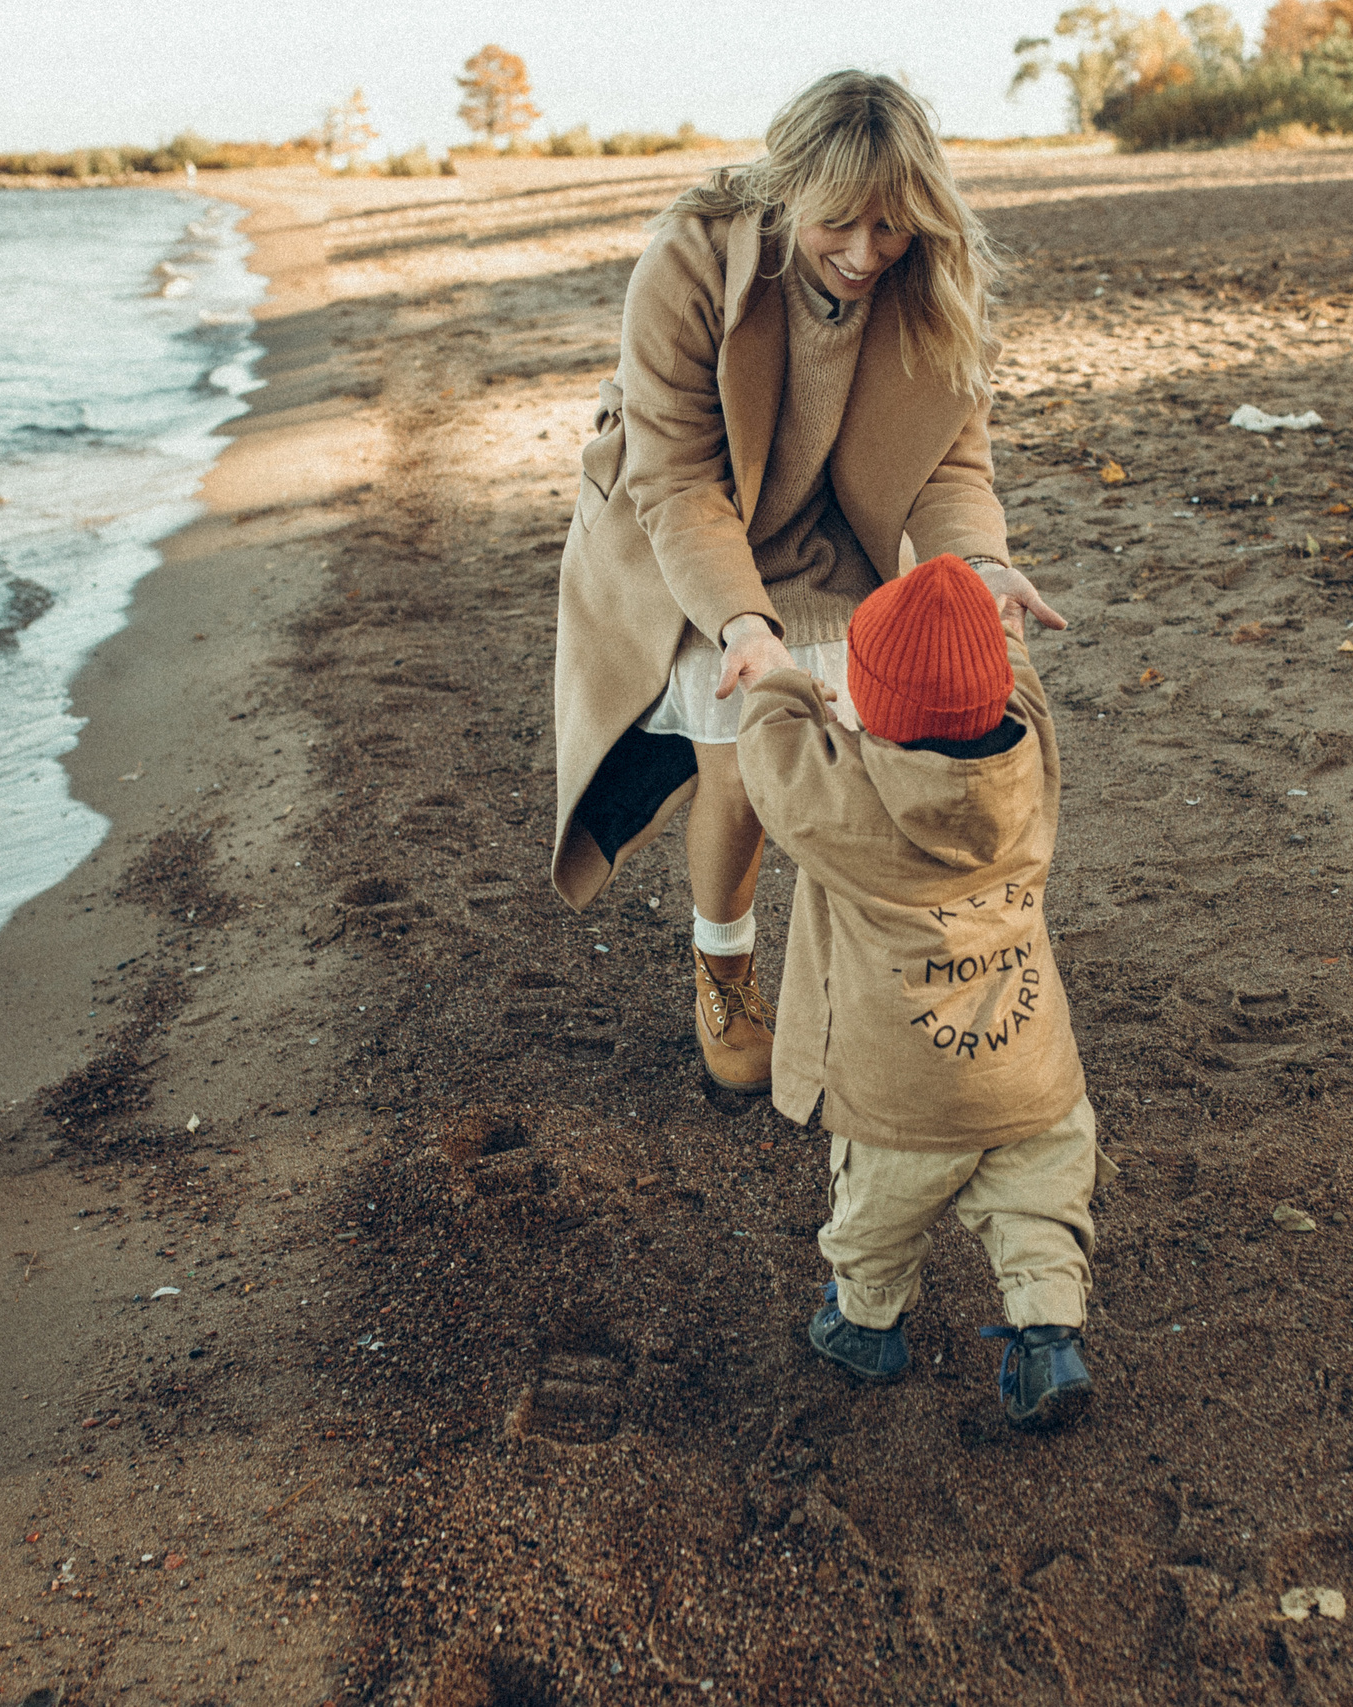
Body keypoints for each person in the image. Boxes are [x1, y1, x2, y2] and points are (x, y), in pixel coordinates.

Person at [548, 70, 1062, 1096]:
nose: (866, 253)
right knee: (740, 767)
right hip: (699, 540)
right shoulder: (692, 261)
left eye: (891, 226)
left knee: (873, 767)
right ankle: (724, 972)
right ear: (788, 191)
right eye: (839, 223)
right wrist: (742, 623)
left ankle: (864, 982)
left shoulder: (933, 280)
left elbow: (950, 468)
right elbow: (678, 480)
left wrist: (981, 565)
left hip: (842, 537)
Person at [737, 554, 1110, 1431]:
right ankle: (1049, 1335)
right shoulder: (1030, 760)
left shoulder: (849, 806)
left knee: (875, 1214)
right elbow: (1015, 684)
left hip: (899, 1091)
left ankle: (865, 1325)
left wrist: (775, 675)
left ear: (871, 707)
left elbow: (770, 756)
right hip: (1031, 1070)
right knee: (1040, 1198)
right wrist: (1001, 626)